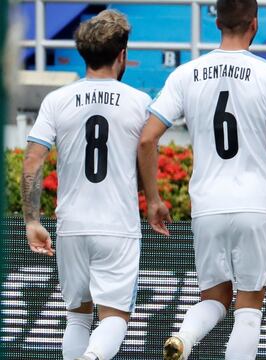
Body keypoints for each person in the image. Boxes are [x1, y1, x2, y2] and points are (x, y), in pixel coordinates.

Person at [136, 1, 266, 359]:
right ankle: (188, 341)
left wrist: (154, 199)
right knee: (249, 308)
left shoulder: (185, 74)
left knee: (214, 298)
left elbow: (146, 139)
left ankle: (184, 338)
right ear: (255, 23)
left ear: (216, 21)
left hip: (207, 206)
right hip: (254, 204)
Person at [21, 10, 152, 360]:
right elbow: (145, 157)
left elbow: (33, 160)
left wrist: (32, 220)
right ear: (122, 55)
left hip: (72, 226)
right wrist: (150, 196)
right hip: (116, 227)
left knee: (77, 318)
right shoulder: (139, 103)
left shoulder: (57, 100)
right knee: (116, 318)